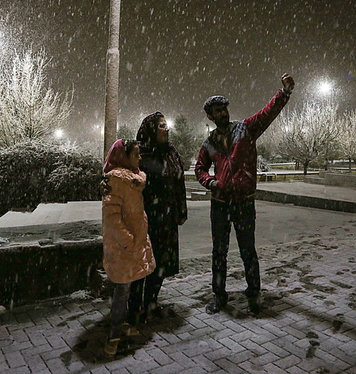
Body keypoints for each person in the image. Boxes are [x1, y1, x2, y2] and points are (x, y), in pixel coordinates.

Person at [195, 73, 295, 314]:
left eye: (224, 109)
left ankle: (254, 293)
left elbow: (267, 114)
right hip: (219, 204)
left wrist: (284, 93)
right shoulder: (209, 143)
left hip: (244, 203)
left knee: (247, 250)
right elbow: (200, 168)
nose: (223, 113)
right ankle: (219, 296)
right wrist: (210, 182)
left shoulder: (245, 129)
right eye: (218, 111)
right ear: (210, 116)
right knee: (219, 252)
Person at [127, 112, 188, 325]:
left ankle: (151, 301)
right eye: (162, 126)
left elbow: (179, 183)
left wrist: (181, 209)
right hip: (145, 218)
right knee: (141, 263)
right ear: (151, 129)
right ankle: (134, 307)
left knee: (160, 262)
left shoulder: (171, 153)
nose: (166, 129)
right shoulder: (138, 153)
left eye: (166, 125)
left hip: (167, 218)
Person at [102, 139, 156, 356]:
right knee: (122, 291)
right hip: (124, 247)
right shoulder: (115, 181)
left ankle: (125, 324)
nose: (140, 158)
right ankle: (113, 335)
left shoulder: (134, 180)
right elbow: (111, 217)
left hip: (135, 243)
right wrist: (129, 241)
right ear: (124, 158)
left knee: (132, 286)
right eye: (136, 155)